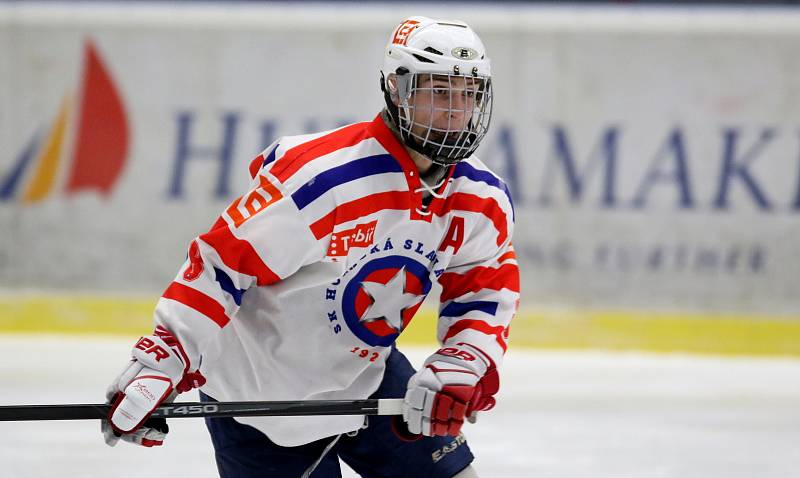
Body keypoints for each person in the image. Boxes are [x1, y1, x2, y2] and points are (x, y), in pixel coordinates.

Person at [102, 15, 519, 478]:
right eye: (439, 91)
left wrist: (463, 359)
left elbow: (485, 284)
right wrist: (165, 356)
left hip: (368, 377)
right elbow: (222, 265)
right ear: (396, 90)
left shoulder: (481, 196)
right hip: (259, 399)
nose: (455, 110)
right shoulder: (321, 179)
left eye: (469, 93)